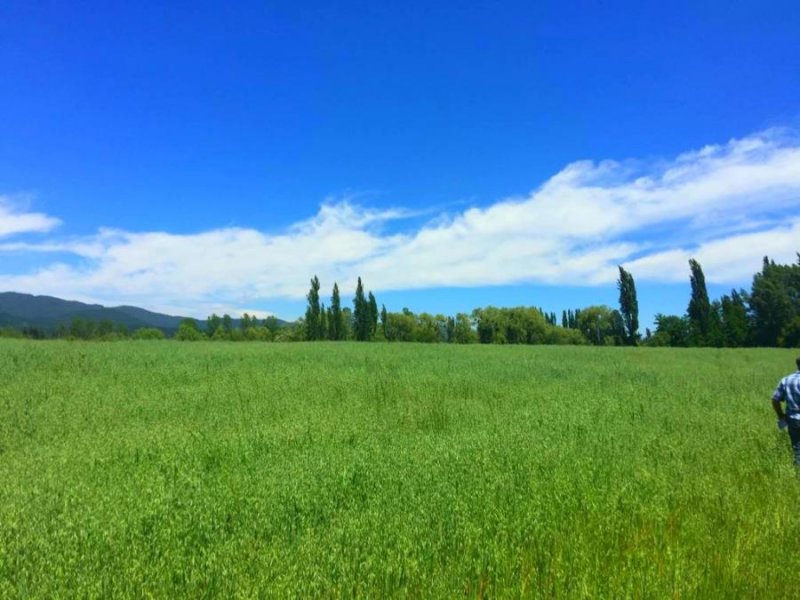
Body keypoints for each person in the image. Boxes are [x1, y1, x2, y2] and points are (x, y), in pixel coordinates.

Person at [772, 356, 800, 464]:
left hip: (793, 419)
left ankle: (798, 475)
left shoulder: (786, 380)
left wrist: (781, 416)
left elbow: (775, 400)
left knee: (798, 450)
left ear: (797, 364)